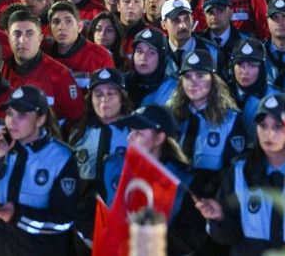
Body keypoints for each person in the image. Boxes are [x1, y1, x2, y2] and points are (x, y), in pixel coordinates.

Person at [194, 93, 285, 255]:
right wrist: (219, 219)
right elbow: (227, 238)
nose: (269, 134)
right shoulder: (239, 172)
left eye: (278, 126)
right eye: (263, 125)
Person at [0, 85, 79, 255]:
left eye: (21, 115)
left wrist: (18, 216)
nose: (12, 121)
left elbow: (63, 221)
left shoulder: (62, 157)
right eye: (9, 114)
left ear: (40, 120)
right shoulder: (0, 147)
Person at [105, 104, 208, 254]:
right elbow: (88, 208)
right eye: (131, 131)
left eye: (138, 133)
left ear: (159, 138)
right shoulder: (111, 165)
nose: (129, 137)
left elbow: (192, 234)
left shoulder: (185, 180)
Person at [68, 68, 133, 252]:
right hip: (83, 228)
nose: (104, 99)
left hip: (124, 228)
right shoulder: (78, 133)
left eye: (111, 93)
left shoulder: (135, 133)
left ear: (122, 97)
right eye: (98, 94)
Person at [168, 49, 245, 197]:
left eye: (200, 76)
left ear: (214, 80)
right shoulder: (170, 115)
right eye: (187, 76)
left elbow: (232, 170)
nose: (193, 82)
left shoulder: (231, 120)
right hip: (174, 196)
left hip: (212, 197)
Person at [124, 27, 178, 107]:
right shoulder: (122, 84)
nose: (143, 57)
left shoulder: (175, 88)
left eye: (151, 52)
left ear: (162, 58)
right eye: (139, 51)